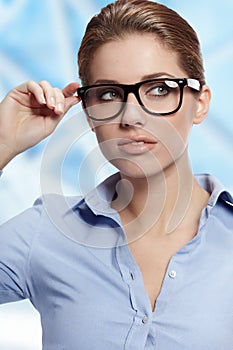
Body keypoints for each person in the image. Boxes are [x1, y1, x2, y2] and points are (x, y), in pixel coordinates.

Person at [0, 0, 233, 349]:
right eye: (109, 94)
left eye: (159, 89)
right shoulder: (44, 232)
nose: (132, 117)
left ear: (200, 102)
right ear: (89, 114)